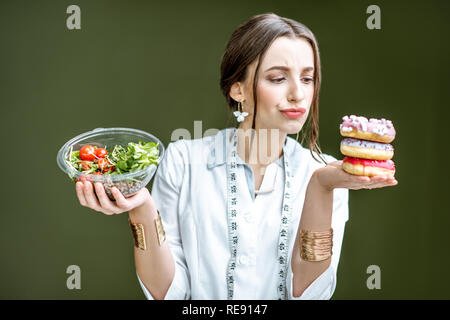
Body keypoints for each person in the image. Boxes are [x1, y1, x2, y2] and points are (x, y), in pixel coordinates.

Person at [74, 13, 397, 300]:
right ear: (237, 89)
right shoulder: (182, 160)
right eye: (278, 77)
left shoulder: (327, 173)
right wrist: (141, 208)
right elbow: (167, 294)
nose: (298, 93)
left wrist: (321, 187)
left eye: (307, 78)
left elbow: (309, 295)